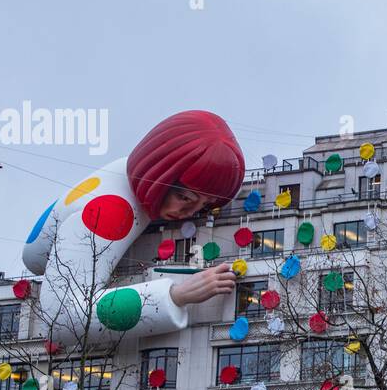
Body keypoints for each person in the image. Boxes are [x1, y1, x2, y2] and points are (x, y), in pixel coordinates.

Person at [22, 110, 246, 346]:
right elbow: (60, 317)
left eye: (205, 205)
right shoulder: (109, 212)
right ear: (161, 177)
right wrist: (174, 296)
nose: (191, 213)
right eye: (184, 198)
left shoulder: (123, 175)